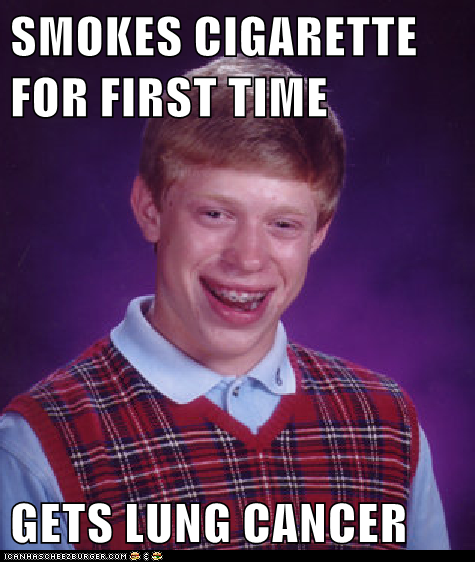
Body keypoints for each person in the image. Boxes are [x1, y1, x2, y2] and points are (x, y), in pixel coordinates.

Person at [0, 56, 449, 550]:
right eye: (215, 214)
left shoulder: (387, 427)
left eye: (283, 224)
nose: (248, 258)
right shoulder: (39, 449)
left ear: (318, 234)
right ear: (151, 210)